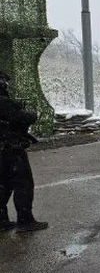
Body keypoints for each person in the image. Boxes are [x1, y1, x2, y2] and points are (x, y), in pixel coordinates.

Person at [0, 71, 48, 232]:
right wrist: (30, 114)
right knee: (23, 184)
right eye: (4, 81)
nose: (6, 84)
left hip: (3, 150)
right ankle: (25, 220)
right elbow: (20, 117)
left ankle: (2, 220)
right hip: (11, 149)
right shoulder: (3, 102)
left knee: (4, 185)